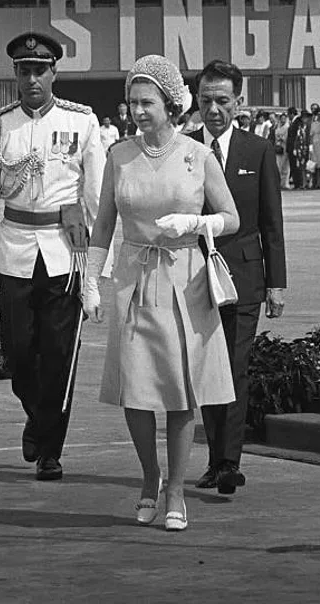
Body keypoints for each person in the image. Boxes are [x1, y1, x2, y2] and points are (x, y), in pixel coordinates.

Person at [82, 54, 239, 531]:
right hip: (134, 277)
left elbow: (232, 218)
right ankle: (149, 477)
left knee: (179, 391)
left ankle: (175, 488)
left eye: (146, 102)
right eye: (132, 101)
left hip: (184, 279)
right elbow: (104, 223)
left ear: (171, 105)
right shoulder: (119, 156)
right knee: (135, 390)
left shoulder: (198, 156)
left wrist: (195, 222)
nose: (137, 111)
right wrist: (91, 279)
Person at [0, 32, 104, 481]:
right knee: (18, 352)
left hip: (65, 252)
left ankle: (50, 448)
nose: (31, 78)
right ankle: (39, 414)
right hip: (15, 250)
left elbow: (97, 203)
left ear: (54, 72)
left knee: (59, 355)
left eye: (40, 70)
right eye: (24, 70)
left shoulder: (82, 123)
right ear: (14, 73)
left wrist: (94, 280)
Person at [188, 60, 286, 496]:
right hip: (194, 276)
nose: (213, 109)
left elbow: (271, 222)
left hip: (244, 276)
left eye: (222, 101)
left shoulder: (257, 151)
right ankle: (214, 458)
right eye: (206, 100)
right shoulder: (184, 149)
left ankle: (229, 462)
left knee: (236, 367)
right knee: (206, 369)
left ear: (239, 102)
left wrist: (276, 282)